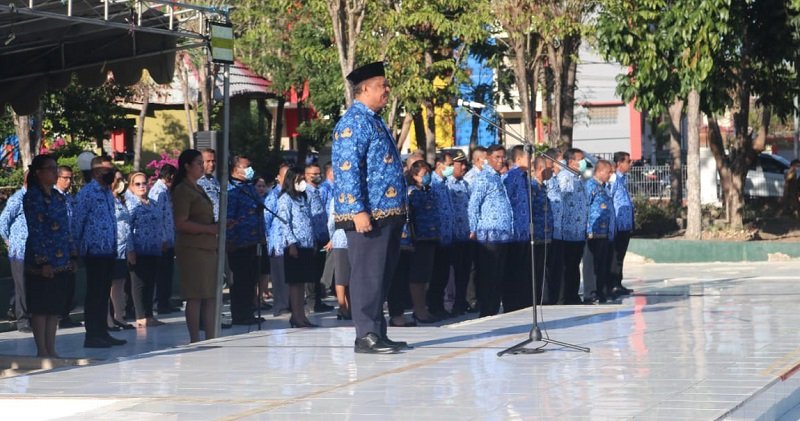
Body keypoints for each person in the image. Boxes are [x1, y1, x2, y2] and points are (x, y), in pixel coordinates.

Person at [333, 61, 408, 354]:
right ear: (364, 89)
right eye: (382, 86)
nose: (387, 91)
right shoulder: (353, 122)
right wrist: (358, 210)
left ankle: (377, 331)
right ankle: (365, 334)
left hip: (387, 212)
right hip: (367, 214)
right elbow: (347, 170)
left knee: (382, 275)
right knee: (367, 274)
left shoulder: (375, 120)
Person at [23, 155, 75, 357]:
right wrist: (43, 261)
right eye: (51, 169)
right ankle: (42, 350)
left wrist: (72, 254)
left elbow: (65, 229)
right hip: (40, 258)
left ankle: (51, 348)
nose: (55, 172)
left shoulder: (59, 197)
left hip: (61, 258)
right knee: (41, 306)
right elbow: (36, 230)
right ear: (38, 172)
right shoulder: (33, 197)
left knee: (54, 307)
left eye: (56, 169)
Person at [74, 156, 127, 348]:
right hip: (93, 251)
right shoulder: (87, 193)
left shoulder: (106, 192)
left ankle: (103, 331)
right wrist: (76, 249)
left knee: (104, 293)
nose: (111, 175)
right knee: (95, 294)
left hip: (108, 250)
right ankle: (92, 334)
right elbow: (78, 221)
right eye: (107, 171)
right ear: (96, 172)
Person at [172, 149, 219, 343]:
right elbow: (181, 222)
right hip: (193, 248)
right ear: (187, 166)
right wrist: (209, 229)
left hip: (208, 247)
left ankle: (210, 336)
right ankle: (195, 338)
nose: (203, 166)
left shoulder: (198, 188)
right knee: (196, 295)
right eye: (198, 163)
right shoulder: (183, 190)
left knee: (209, 295)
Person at [468, 144, 514, 317]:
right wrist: (473, 227)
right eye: (497, 157)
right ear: (487, 157)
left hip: (502, 234)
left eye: (503, 157)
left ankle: (493, 308)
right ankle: (487, 311)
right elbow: (474, 204)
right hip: (489, 234)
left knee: (498, 275)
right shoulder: (484, 178)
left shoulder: (497, 177)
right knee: (489, 275)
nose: (501, 160)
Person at [277, 167, 318, 328]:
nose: (301, 183)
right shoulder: (285, 198)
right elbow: (284, 222)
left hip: (306, 244)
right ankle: (296, 316)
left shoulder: (303, 197)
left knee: (302, 283)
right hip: (294, 246)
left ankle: (302, 315)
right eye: (298, 179)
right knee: (295, 283)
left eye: (303, 179)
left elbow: (309, 220)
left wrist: (313, 240)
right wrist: (291, 243)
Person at [227, 155, 265, 325]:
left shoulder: (249, 188)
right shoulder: (232, 189)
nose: (250, 169)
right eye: (246, 166)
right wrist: (230, 240)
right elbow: (229, 216)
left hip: (252, 240)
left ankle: (248, 311)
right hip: (238, 242)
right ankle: (240, 314)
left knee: (251, 279)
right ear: (236, 169)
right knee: (240, 281)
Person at [127, 172, 167, 327]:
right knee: (139, 283)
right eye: (137, 184)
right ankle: (140, 315)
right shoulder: (131, 204)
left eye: (144, 183)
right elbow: (127, 228)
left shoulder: (152, 203)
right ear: (131, 186)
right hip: (138, 249)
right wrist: (130, 249)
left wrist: (163, 239)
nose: (142, 186)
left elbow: (159, 222)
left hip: (153, 248)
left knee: (151, 282)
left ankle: (150, 314)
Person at [405, 160, 440, 323]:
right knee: (417, 277)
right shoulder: (412, 193)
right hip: (418, 238)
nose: (427, 177)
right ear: (414, 176)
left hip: (431, 237)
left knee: (427, 276)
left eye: (428, 174)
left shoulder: (429, 190)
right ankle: (418, 310)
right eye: (423, 174)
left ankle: (423, 308)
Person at [502, 145, 533, 312]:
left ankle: (523, 300)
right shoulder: (511, 176)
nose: (531, 160)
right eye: (528, 157)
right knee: (513, 269)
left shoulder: (524, 177)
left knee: (523, 269)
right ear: (519, 159)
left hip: (524, 231)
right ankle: (512, 303)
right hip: (514, 232)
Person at [556, 148, 589, 305]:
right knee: (567, 266)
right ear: (570, 162)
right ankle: (565, 297)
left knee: (575, 265)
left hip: (578, 231)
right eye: (580, 159)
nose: (584, 162)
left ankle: (573, 295)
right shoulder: (565, 177)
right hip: (567, 231)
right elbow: (559, 201)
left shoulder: (578, 178)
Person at [303, 163, 334, 313]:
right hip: (312, 238)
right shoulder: (305, 193)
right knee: (311, 271)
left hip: (323, 235)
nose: (317, 176)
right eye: (313, 174)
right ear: (306, 176)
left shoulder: (318, 191)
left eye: (318, 173)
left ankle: (318, 300)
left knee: (319, 271)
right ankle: (312, 301)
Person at [0, 176, 29, 332]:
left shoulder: (38, 199)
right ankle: (22, 320)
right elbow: (3, 221)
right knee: (21, 285)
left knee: (29, 284)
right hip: (20, 250)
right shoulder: (18, 199)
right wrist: (8, 240)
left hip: (35, 249)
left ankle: (14, 309)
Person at [54, 166, 82, 328]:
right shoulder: (53, 197)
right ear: (57, 178)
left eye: (70, 178)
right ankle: (58, 316)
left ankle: (65, 316)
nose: (69, 181)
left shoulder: (70, 198)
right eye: (65, 178)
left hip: (71, 246)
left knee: (69, 283)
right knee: (59, 283)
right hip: (58, 247)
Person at [585, 160, 615, 304]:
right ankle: (590, 293)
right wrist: (587, 228)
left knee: (602, 263)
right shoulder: (590, 185)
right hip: (593, 232)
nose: (610, 175)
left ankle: (601, 291)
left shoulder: (604, 187)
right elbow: (585, 207)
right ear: (600, 171)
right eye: (609, 172)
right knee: (591, 265)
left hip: (604, 231)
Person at [446, 150, 473, 315]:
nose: (463, 167)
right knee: (453, 273)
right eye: (460, 164)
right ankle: (453, 303)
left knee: (465, 271)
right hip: (453, 236)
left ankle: (462, 302)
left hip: (466, 235)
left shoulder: (465, 184)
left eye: (464, 164)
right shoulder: (447, 183)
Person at [427, 152, 454, 319]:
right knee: (436, 274)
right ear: (439, 164)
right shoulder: (432, 183)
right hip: (436, 236)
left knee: (443, 274)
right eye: (449, 164)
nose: (451, 168)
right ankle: (433, 306)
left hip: (447, 236)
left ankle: (440, 306)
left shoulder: (445, 183)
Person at [149, 165, 178, 314]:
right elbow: (158, 217)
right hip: (162, 240)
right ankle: (160, 302)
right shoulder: (158, 192)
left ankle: (165, 301)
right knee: (162, 274)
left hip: (169, 238)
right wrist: (163, 238)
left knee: (167, 273)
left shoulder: (166, 192)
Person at [108, 170, 134, 331]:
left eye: (121, 179)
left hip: (123, 248)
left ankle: (119, 316)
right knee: (109, 285)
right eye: (117, 179)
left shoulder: (120, 199)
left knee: (120, 284)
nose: (120, 182)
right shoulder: (106, 199)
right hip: (112, 248)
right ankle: (108, 319)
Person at [266, 164, 290, 317]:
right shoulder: (273, 196)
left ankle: (292, 303)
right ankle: (280, 305)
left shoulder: (293, 194)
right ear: (279, 177)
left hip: (292, 243)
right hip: (278, 244)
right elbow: (266, 220)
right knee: (279, 277)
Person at [609, 152, 635, 297]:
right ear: (619, 163)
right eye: (628, 161)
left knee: (620, 257)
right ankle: (612, 284)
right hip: (617, 225)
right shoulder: (613, 179)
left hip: (625, 225)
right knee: (615, 256)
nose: (630, 164)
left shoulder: (623, 179)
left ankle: (618, 283)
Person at [530, 156, 554, 305]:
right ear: (540, 169)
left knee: (543, 270)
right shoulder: (532, 186)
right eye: (549, 168)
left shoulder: (542, 186)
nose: (551, 171)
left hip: (545, 235)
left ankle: (543, 297)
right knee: (535, 271)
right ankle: (535, 299)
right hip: (536, 235)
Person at [325, 195, 351, 320]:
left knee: (348, 276)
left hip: (347, 239)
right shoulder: (336, 199)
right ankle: (342, 306)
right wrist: (332, 237)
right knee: (342, 276)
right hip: (342, 239)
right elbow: (331, 222)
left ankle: (350, 306)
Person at [544, 148, 564, 305]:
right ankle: (547, 299)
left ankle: (556, 297)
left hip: (558, 230)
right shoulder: (544, 179)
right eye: (560, 160)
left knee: (557, 268)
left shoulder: (555, 179)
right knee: (547, 268)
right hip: (547, 231)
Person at [253, 176, 272, 311]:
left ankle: (261, 297)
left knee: (265, 270)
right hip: (255, 239)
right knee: (256, 270)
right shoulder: (252, 201)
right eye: (258, 186)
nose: (261, 189)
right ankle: (254, 299)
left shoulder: (267, 200)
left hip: (267, 239)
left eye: (263, 186)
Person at [197, 148, 220, 222]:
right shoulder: (196, 182)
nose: (212, 164)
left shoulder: (214, 181)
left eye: (213, 161)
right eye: (208, 161)